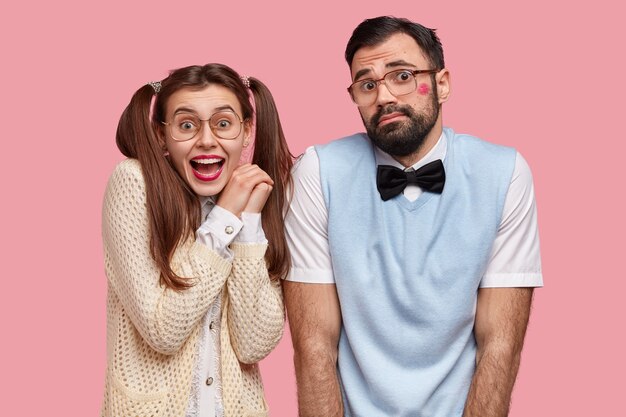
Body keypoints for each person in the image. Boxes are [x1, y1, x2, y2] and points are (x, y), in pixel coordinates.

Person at [283, 16, 543, 417]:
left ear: (442, 83)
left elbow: (500, 343)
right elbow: (314, 344)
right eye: (367, 84)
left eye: (402, 76)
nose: (384, 96)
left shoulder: (504, 172)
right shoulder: (318, 171)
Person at [100, 63, 292, 417]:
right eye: (186, 125)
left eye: (223, 123)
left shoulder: (257, 200)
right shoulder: (134, 184)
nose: (206, 139)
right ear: (162, 135)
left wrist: (247, 221)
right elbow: (162, 330)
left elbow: (253, 345)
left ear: (247, 130)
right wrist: (224, 220)